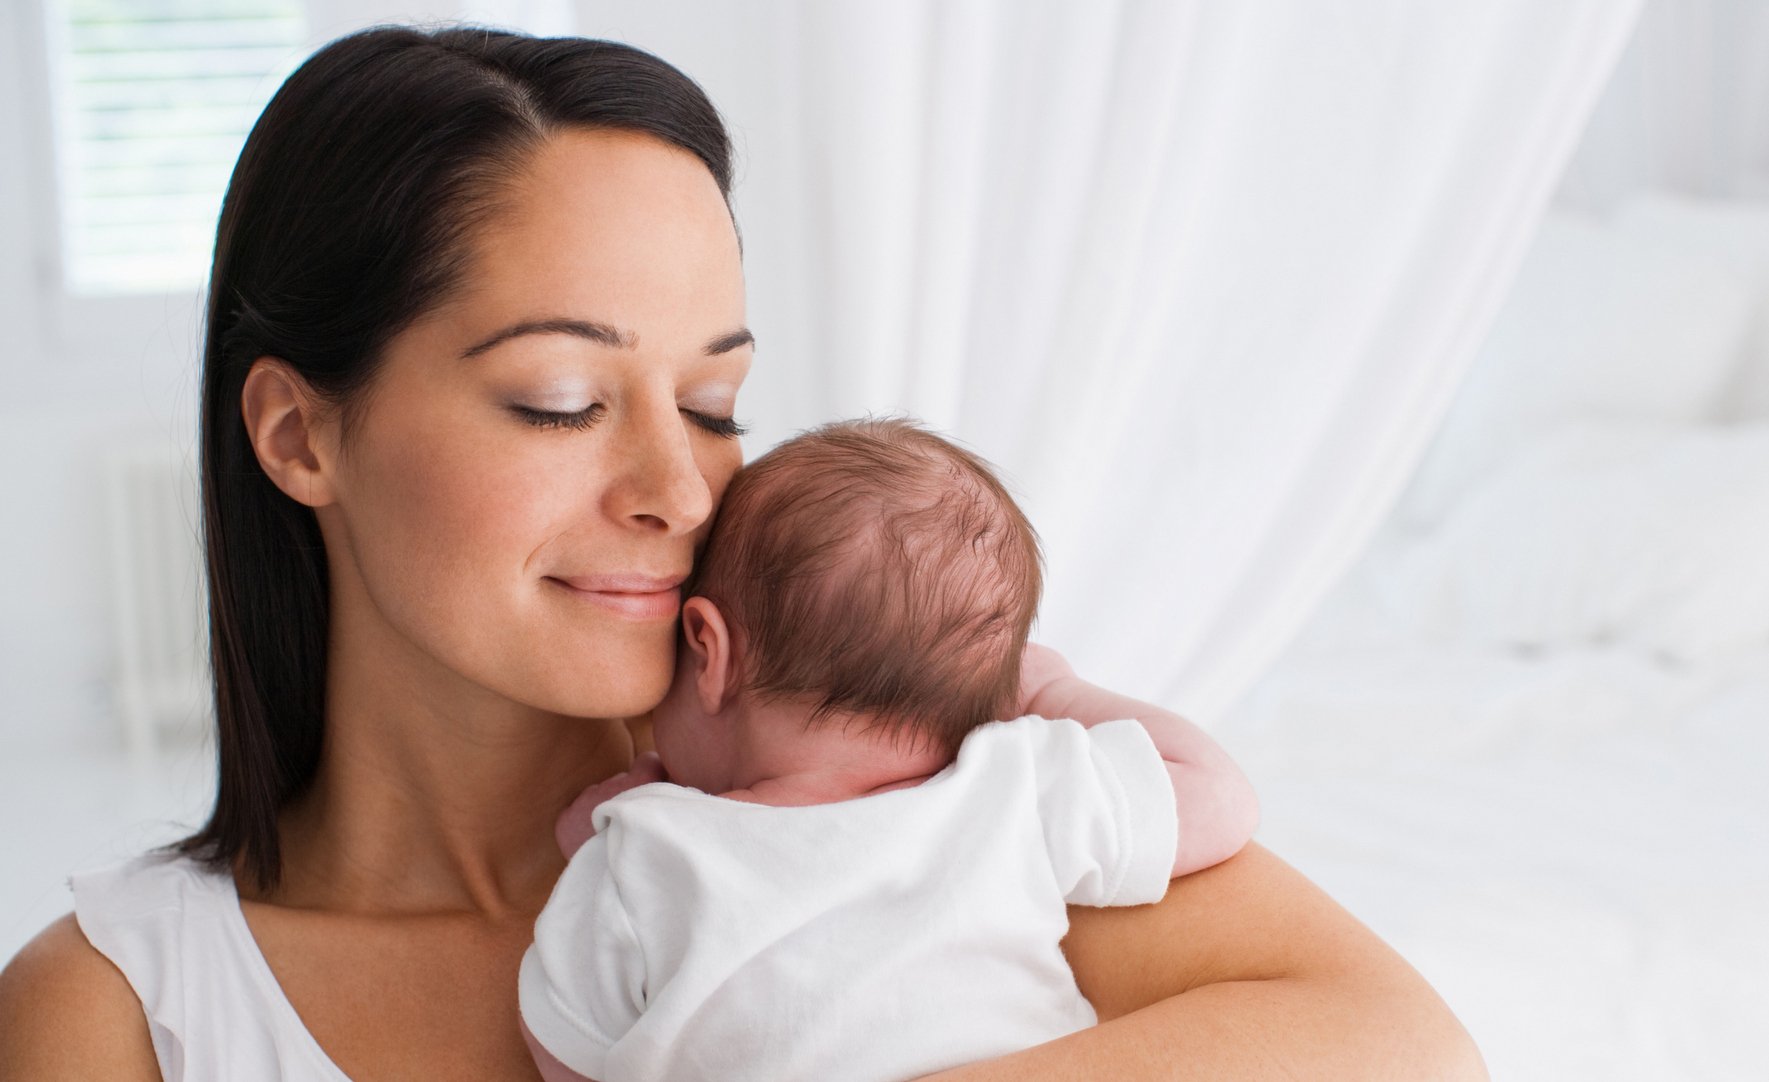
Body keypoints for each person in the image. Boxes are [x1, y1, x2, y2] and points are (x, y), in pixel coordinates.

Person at [0, 26, 1487, 1082]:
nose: (681, 487)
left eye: (715, 406)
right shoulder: (118, 1010)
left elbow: (1406, 1049)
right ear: (300, 434)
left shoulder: (899, 772)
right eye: (561, 399)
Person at [521, 417, 1261, 1081]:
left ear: (708, 650)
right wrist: (1054, 692)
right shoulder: (1009, 790)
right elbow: (1218, 798)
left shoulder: (643, 854)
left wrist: (599, 851)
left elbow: (565, 1047)